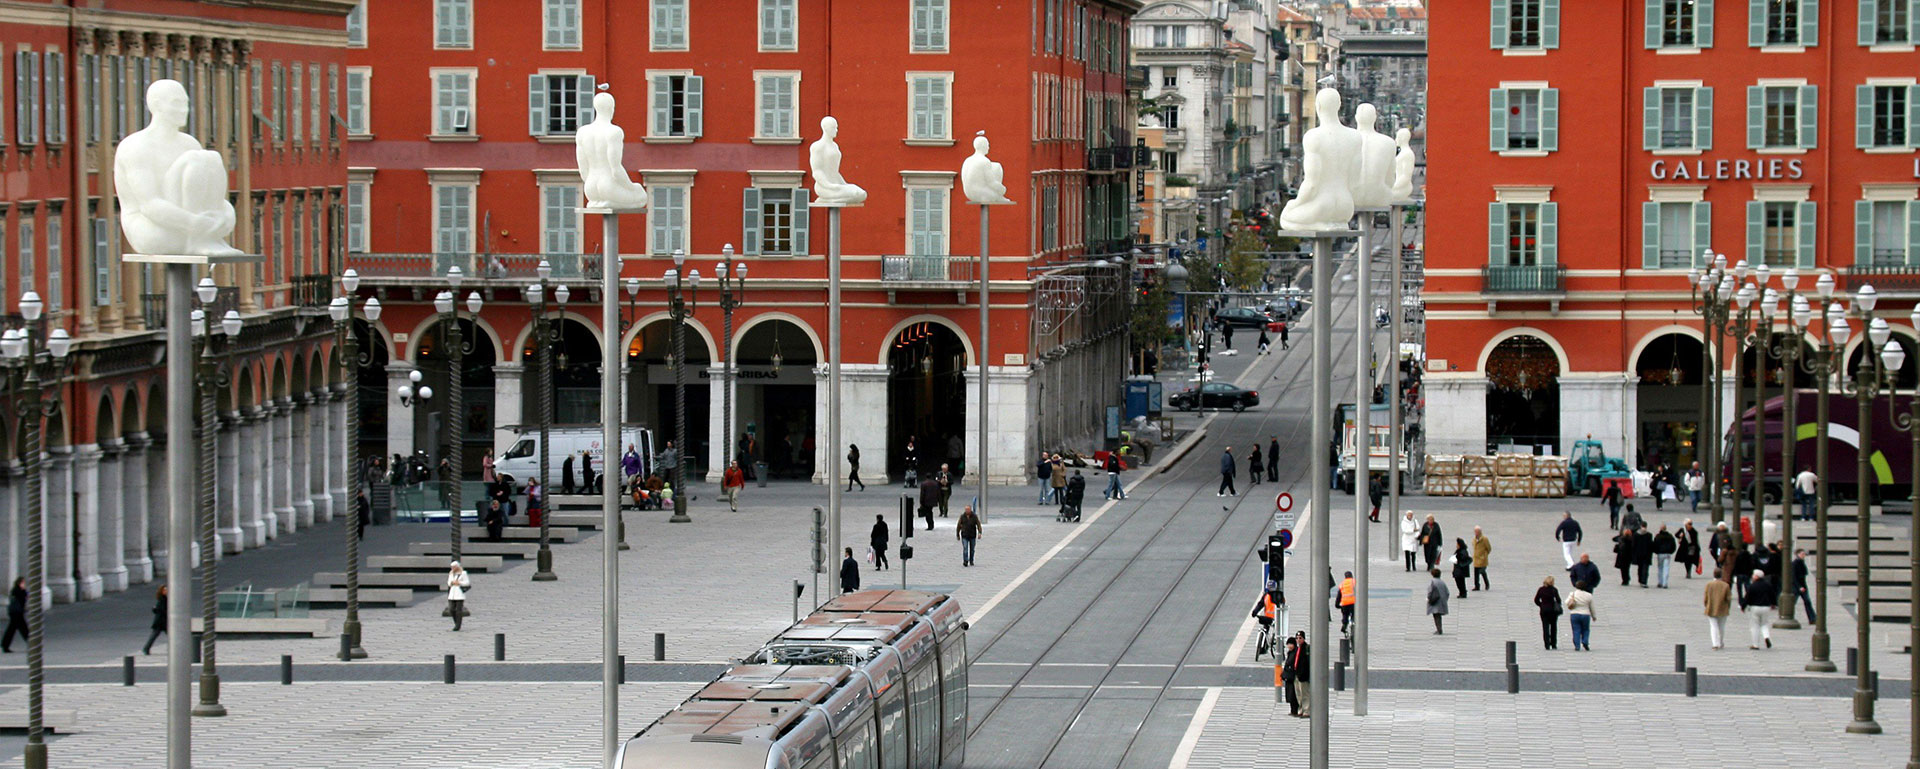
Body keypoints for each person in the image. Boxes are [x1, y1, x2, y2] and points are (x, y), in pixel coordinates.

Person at [1743, 568, 1778, 649]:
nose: (1752, 576)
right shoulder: (1768, 585)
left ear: (1756, 577)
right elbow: (1773, 595)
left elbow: (1747, 598)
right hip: (1766, 607)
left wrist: (1743, 606)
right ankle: (1766, 637)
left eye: (1753, 575)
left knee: (1755, 626)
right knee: (1764, 624)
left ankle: (1755, 644)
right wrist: (1773, 603)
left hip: (1755, 607)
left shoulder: (1752, 586)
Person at [1703, 567, 1733, 650]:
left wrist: (1706, 605)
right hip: (1723, 608)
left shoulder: (1709, 585)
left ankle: (1715, 643)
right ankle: (1721, 642)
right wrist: (1728, 607)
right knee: (1722, 626)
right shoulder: (1726, 585)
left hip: (1711, 608)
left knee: (1713, 626)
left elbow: (1705, 598)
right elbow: (1728, 598)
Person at [1533, 576, 1562, 650]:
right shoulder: (1554, 590)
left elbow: (1536, 600)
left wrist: (1541, 605)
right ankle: (1553, 643)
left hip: (1544, 610)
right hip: (1553, 611)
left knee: (1545, 627)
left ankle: (1547, 644)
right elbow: (1558, 600)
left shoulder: (1541, 589)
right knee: (1553, 627)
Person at [1564, 581, 1595, 651]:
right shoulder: (1589, 595)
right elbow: (1591, 607)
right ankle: (1585, 641)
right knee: (1586, 629)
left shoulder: (1573, 594)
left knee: (1576, 630)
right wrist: (1594, 616)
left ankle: (1577, 645)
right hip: (1585, 614)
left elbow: (1566, 602)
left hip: (1574, 614)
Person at [1287, 632, 1311, 715]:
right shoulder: (1297, 649)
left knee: (1305, 693)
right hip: (1296, 674)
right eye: (1297, 638)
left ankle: (1306, 710)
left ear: (1303, 638)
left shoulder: (1306, 648)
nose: (1298, 640)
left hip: (1303, 675)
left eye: (1300, 638)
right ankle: (1300, 709)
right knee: (1298, 694)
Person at [1791, 548, 1816, 623]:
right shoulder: (1795, 563)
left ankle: (1812, 618)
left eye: (1804, 554)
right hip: (1797, 586)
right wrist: (1799, 587)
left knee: (1807, 602)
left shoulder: (1801, 562)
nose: (1803, 555)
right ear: (1797, 554)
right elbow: (1794, 577)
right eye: (1802, 554)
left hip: (1802, 585)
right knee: (1793, 602)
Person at [143, 585, 169, 655]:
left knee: (154, 636)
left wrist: (155, 609)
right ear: (162, 591)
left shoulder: (164, 599)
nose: (166, 591)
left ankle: (146, 648)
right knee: (154, 636)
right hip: (161, 621)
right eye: (165, 590)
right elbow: (161, 610)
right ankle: (146, 648)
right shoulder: (163, 599)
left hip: (162, 621)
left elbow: (157, 610)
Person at [1, 577, 26, 652]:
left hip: (14, 612)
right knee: (23, 628)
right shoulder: (18, 590)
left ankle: (5, 645)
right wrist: (24, 590)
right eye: (23, 582)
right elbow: (23, 598)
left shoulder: (15, 590)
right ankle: (32, 644)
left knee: (12, 629)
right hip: (17, 612)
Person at [446, 562, 470, 631]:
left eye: (454, 567)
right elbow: (448, 583)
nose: (452, 568)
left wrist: (459, 583)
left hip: (459, 594)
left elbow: (467, 582)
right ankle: (456, 622)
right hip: (452, 594)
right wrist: (452, 582)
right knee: (451, 609)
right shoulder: (451, 573)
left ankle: (458, 625)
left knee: (459, 610)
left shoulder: (463, 573)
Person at [1652, 524, 1677, 588]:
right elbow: (1674, 546)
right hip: (1667, 554)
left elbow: (1654, 545)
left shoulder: (1658, 536)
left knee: (1660, 568)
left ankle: (1660, 582)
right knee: (1666, 568)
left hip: (1660, 554)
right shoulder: (1670, 536)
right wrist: (1671, 552)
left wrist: (1656, 552)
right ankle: (1665, 583)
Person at [1425, 568, 1450, 635]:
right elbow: (1447, 593)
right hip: (1441, 601)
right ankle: (1439, 628)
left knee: (1436, 616)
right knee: (1438, 616)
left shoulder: (1432, 582)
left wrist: (1428, 598)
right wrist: (1445, 599)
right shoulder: (1442, 582)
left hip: (1435, 601)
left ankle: (1439, 629)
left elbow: (1430, 591)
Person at [1279, 636, 1299, 714]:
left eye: (1291, 644)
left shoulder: (1295, 653)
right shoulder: (1290, 653)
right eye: (1288, 644)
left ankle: (1294, 710)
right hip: (1289, 677)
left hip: (1292, 677)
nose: (1290, 646)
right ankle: (1292, 710)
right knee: (1290, 694)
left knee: (1293, 694)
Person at [1632, 521, 1655, 587]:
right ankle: (1644, 581)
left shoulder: (1636, 534)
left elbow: (1633, 545)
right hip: (1647, 554)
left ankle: (1640, 580)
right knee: (1645, 568)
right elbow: (1651, 545)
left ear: (1640, 526)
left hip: (1638, 554)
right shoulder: (1649, 535)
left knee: (1640, 567)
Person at [1471, 526, 1492, 591]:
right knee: (1476, 573)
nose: (1476, 533)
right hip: (1476, 559)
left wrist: (1485, 555)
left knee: (1482, 572)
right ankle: (1477, 586)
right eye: (1475, 531)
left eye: (1477, 531)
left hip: (1482, 559)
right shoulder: (1474, 539)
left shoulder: (1484, 539)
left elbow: (1489, 548)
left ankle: (1487, 584)